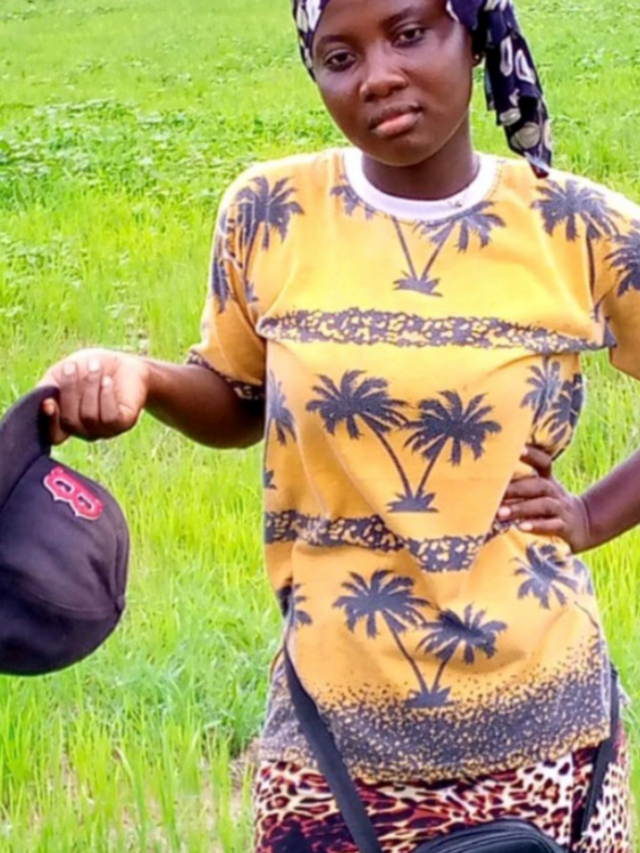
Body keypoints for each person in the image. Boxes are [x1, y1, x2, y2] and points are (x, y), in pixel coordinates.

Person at [39, 0, 638, 849]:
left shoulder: (576, 225)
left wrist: (590, 515)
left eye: (409, 33)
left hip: (542, 733)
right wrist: (145, 379)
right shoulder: (271, 211)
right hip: (330, 736)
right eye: (339, 56)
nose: (378, 77)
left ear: (475, 38)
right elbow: (237, 398)